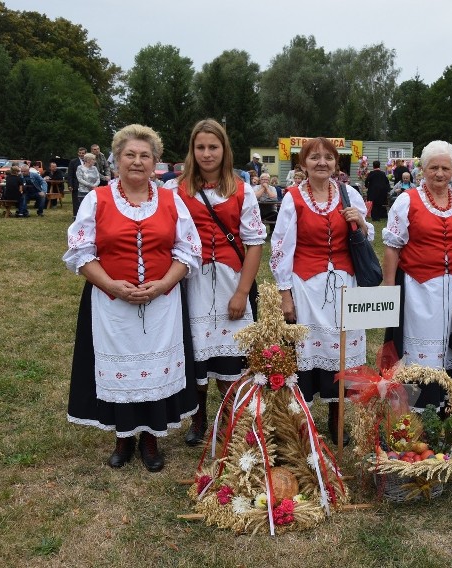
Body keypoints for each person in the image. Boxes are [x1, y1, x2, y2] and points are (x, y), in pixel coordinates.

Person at [64, 124, 202, 472]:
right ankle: (123, 437)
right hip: (111, 304)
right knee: (118, 369)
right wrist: (111, 285)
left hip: (162, 303)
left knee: (155, 367)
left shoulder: (172, 200)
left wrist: (162, 285)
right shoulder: (97, 199)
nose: (137, 161)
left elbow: (188, 251)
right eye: (130, 155)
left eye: (145, 155)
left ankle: (152, 438)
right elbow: (80, 252)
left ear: (156, 162)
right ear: (117, 160)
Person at [166, 119, 266, 446]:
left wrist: (241, 292)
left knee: (230, 357)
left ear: (225, 150)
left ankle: (229, 421)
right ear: (192, 151)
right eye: (201, 147)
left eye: (214, 147)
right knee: (197, 353)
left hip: (229, 279)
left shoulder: (241, 189)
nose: (207, 154)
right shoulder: (174, 190)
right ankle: (198, 420)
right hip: (190, 279)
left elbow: (254, 244)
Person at [270, 137, 372, 444]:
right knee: (308, 353)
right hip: (307, 287)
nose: (322, 162)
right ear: (303, 164)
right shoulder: (292, 198)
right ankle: (303, 422)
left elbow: (367, 235)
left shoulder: (347, 193)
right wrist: (285, 293)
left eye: (328, 157)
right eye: (314, 158)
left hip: (344, 285)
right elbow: (280, 247)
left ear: (336, 163)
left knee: (341, 351)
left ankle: (337, 417)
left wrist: (361, 223)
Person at [382, 140, 452, 412]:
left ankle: (449, 404)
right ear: (423, 170)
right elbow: (393, 246)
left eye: (445, 168)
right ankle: (416, 405)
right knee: (418, 348)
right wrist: (390, 287)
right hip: (418, 288)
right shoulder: (407, 201)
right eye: (433, 168)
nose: (439, 174)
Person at [67, 147, 87, 218]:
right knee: (76, 201)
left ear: (85, 154)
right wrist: (70, 185)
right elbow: (70, 174)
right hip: (76, 184)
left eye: (83, 153)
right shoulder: (73, 162)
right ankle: (75, 216)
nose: (81, 154)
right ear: (78, 153)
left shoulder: (88, 161)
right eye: (80, 153)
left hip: (86, 185)